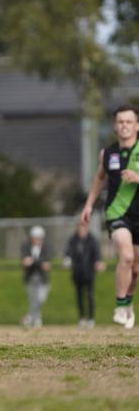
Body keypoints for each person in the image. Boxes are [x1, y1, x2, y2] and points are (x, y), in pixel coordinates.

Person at [81, 104, 139, 329]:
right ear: (115, 126)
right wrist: (88, 205)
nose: (124, 126)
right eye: (120, 122)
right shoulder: (108, 153)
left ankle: (127, 303)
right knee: (125, 257)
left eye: (129, 122)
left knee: (136, 269)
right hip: (117, 213)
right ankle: (119, 305)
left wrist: (137, 178)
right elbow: (99, 178)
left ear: (137, 125)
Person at [63, 222, 105, 328]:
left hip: (89, 272)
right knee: (79, 296)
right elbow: (68, 252)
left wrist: (98, 262)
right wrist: (67, 259)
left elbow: (97, 254)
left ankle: (91, 318)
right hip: (77, 272)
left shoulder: (92, 240)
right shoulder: (73, 240)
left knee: (90, 295)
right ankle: (82, 318)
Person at [21, 225, 52, 328]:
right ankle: (37, 320)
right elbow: (25, 261)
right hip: (30, 277)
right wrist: (37, 262)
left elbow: (47, 264)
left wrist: (35, 261)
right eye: (35, 237)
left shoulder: (46, 247)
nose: (37, 240)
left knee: (40, 298)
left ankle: (29, 317)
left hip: (42, 278)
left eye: (38, 237)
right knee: (32, 299)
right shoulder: (26, 247)